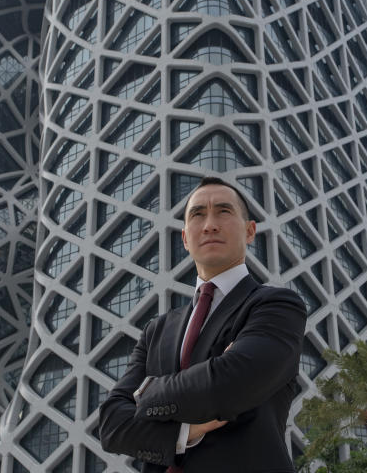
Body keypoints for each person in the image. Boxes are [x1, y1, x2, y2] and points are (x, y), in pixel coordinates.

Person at [99, 176, 307, 472]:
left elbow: (229, 384)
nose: (210, 224)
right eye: (198, 214)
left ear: (250, 232)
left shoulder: (276, 306)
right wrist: (185, 432)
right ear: (185, 238)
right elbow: (111, 426)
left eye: (224, 211)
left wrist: (145, 395)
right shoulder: (156, 330)